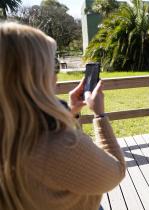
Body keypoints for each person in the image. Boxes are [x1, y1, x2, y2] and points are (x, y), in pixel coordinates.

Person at [0, 22, 126, 210]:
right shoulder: (59, 145)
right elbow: (116, 172)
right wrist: (100, 115)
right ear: (35, 75)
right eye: (53, 67)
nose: (56, 77)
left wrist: (71, 111)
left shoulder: (11, 134)